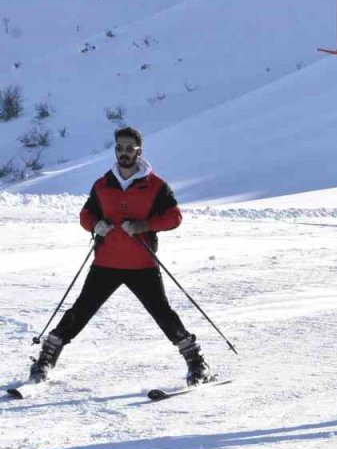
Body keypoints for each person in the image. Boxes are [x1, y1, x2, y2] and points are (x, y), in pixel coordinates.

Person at [28, 126, 212, 386]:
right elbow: (85, 215)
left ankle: (196, 363)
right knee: (81, 311)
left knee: (162, 313)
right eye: (119, 148)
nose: (124, 153)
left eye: (129, 148)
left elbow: (174, 217)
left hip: (141, 263)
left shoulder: (156, 186)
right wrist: (95, 225)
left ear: (139, 151)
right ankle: (46, 359)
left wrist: (143, 226)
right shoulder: (103, 185)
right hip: (106, 262)